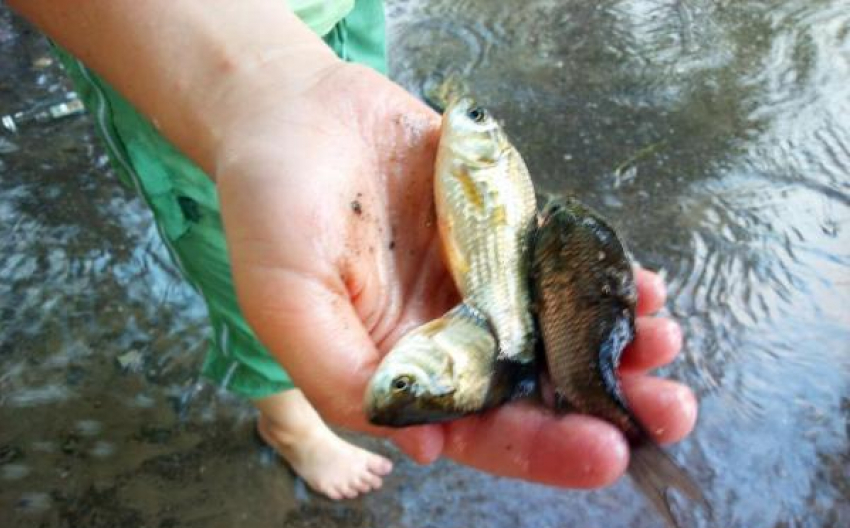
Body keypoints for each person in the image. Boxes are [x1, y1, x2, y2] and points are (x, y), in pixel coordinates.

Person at [8, 0, 697, 500]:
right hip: (166, 81)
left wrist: (297, 81)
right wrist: (252, 89)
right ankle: (286, 424)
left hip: (338, 32)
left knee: (327, 232)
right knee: (260, 296)